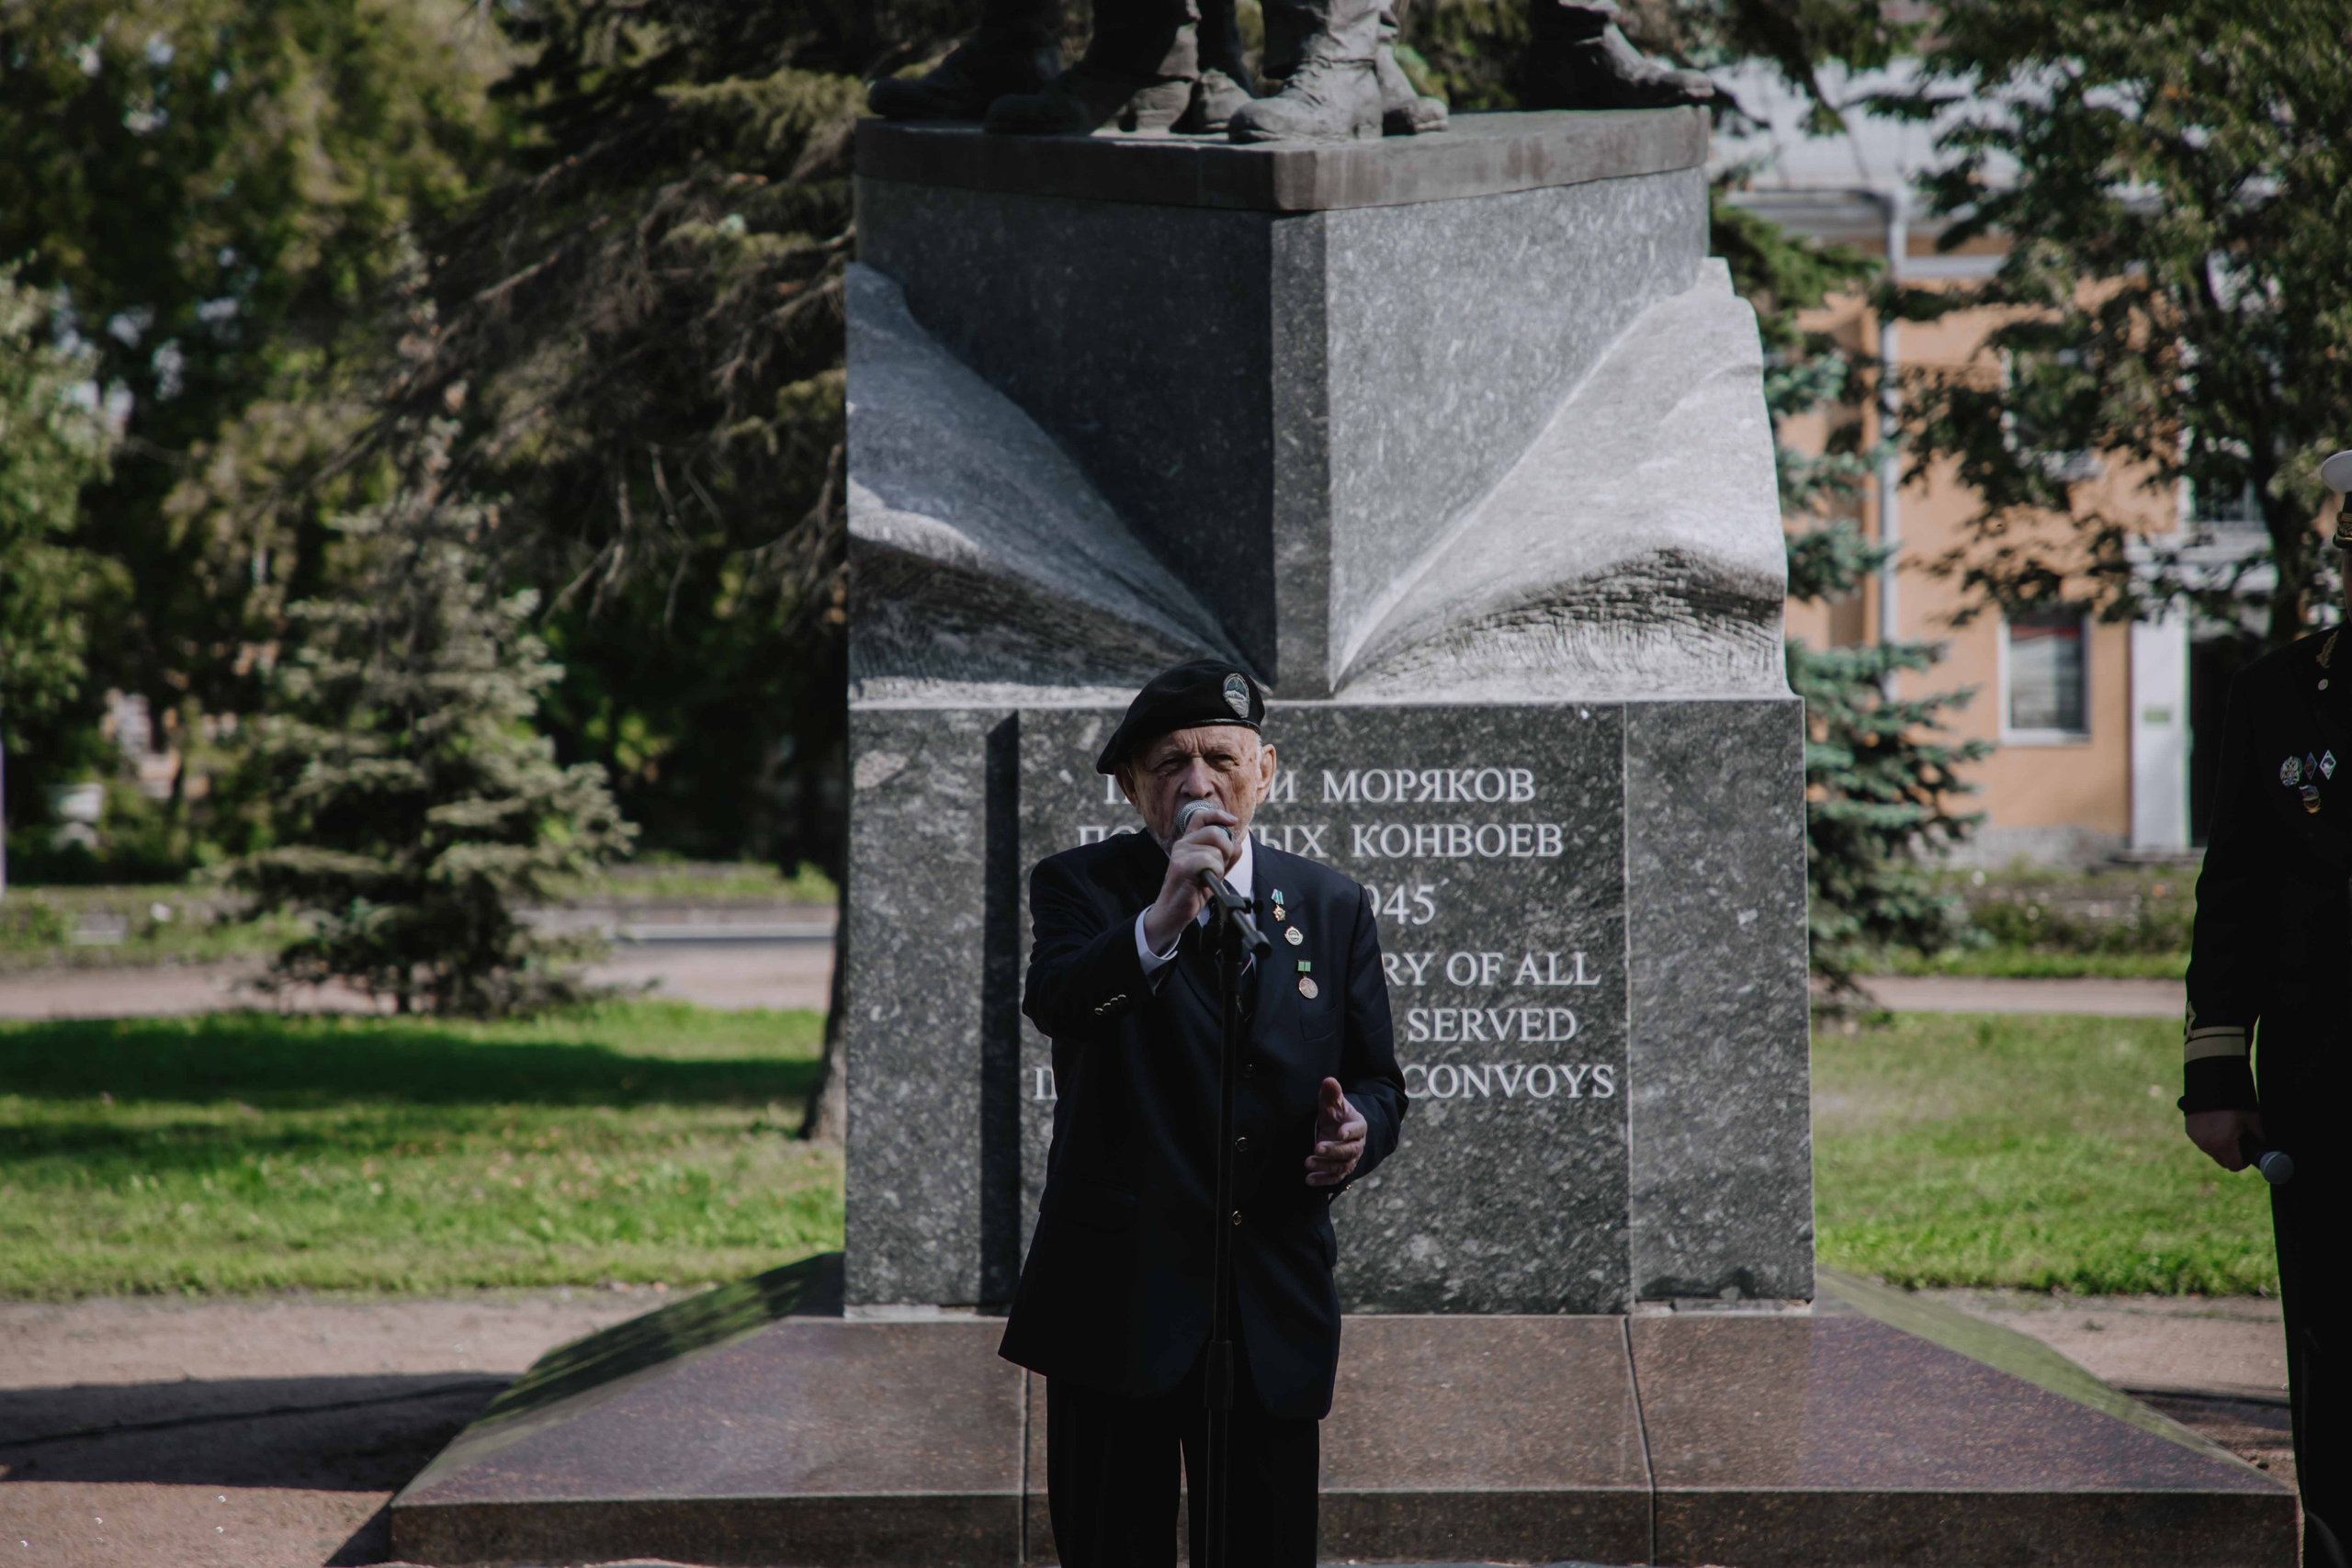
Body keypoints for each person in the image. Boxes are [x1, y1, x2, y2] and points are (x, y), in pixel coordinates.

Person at [1000, 658, 1408, 1564]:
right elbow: (1058, 1001)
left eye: (1220, 759)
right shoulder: (1081, 886)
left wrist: (1355, 1132)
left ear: (1264, 770)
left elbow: (1380, 1081)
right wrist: (1163, 917)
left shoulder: (1331, 904)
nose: (1197, 783)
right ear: (1129, 785)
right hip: (1119, 1304)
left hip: (1268, 1306)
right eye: (1169, 764)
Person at [2181, 499, 2352, 1568]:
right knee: (2332, 1340)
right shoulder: (2277, 693)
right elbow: (2233, 890)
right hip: (2322, 1074)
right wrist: (2214, 1074)